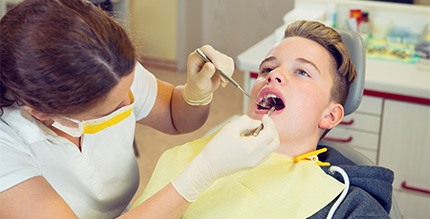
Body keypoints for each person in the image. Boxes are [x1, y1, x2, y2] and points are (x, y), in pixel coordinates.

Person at [0, 0, 279, 218]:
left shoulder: (111, 68)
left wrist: (195, 93)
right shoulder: (6, 147)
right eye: (109, 109)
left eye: (129, 89)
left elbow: (174, 116)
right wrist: (200, 174)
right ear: (40, 111)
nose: (129, 104)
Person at [134, 20, 394, 218]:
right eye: (267, 68)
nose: (274, 75)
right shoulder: (198, 156)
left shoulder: (347, 205)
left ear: (330, 115)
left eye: (302, 71)